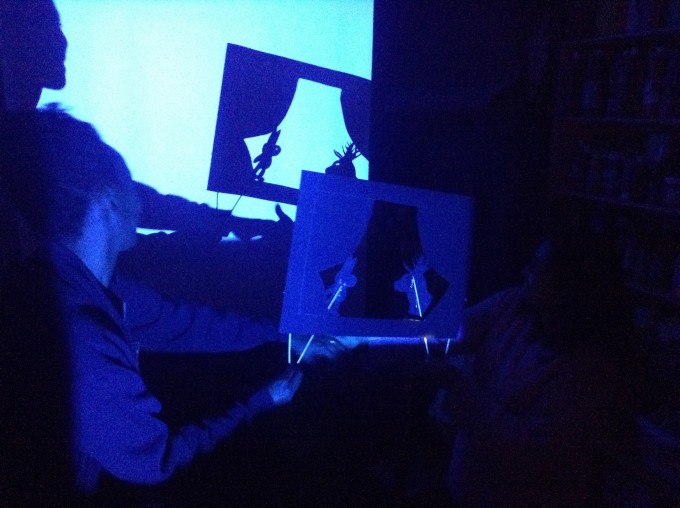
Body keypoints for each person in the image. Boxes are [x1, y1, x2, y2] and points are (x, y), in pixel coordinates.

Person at [0, 107, 305, 501]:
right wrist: (264, 401)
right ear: (109, 201)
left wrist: (282, 334)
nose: (143, 201)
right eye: (132, 185)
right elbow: (158, 466)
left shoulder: (76, 283)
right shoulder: (82, 340)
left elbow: (185, 324)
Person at [430, 233, 640, 507]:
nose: (525, 272)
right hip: (466, 482)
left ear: (571, 286)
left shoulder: (592, 366)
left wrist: (455, 382)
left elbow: (531, 446)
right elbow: (450, 331)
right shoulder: (514, 303)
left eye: (538, 268)